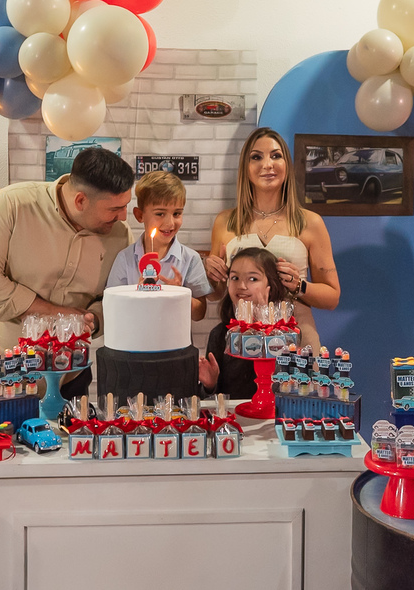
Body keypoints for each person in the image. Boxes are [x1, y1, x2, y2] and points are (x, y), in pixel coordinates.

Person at [0, 148, 134, 397]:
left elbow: (117, 295)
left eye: (126, 206)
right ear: (80, 200)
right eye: (114, 208)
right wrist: (56, 314)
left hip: (70, 375)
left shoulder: (120, 234)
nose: (123, 216)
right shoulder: (13, 205)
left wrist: (93, 320)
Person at [205, 127, 340, 352]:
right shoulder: (225, 222)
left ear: (287, 165)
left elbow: (332, 297)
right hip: (242, 343)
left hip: (297, 339)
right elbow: (216, 294)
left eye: (276, 156)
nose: (267, 164)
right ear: (245, 169)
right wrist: (211, 274)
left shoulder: (310, 223)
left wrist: (300, 286)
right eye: (256, 157)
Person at [105, 170, 209, 321]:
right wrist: (136, 293)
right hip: (134, 340)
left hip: (175, 340)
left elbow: (199, 314)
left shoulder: (190, 259)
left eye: (177, 214)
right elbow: (111, 307)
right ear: (140, 215)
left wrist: (180, 295)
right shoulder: (125, 258)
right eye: (160, 214)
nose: (170, 223)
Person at [198, 247, 290, 398]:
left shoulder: (286, 334)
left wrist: (266, 325)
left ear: (271, 285)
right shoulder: (221, 334)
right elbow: (210, 399)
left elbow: (289, 389)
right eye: (235, 278)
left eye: (253, 279)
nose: (241, 286)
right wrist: (209, 385)